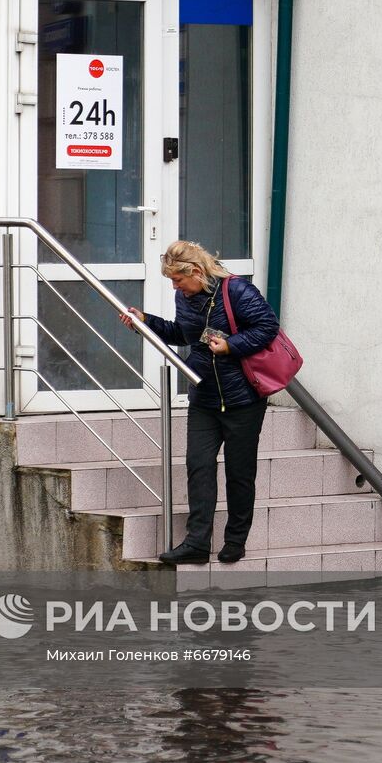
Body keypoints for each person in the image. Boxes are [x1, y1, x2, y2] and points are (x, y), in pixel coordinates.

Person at [118, 240, 279, 564]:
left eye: (177, 280)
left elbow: (268, 328)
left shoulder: (237, 291)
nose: (176, 287)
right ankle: (197, 544)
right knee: (199, 466)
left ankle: (235, 540)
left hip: (242, 398)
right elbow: (184, 335)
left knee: (239, 472)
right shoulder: (185, 297)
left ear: (195, 271)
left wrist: (231, 346)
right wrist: (146, 321)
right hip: (204, 395)